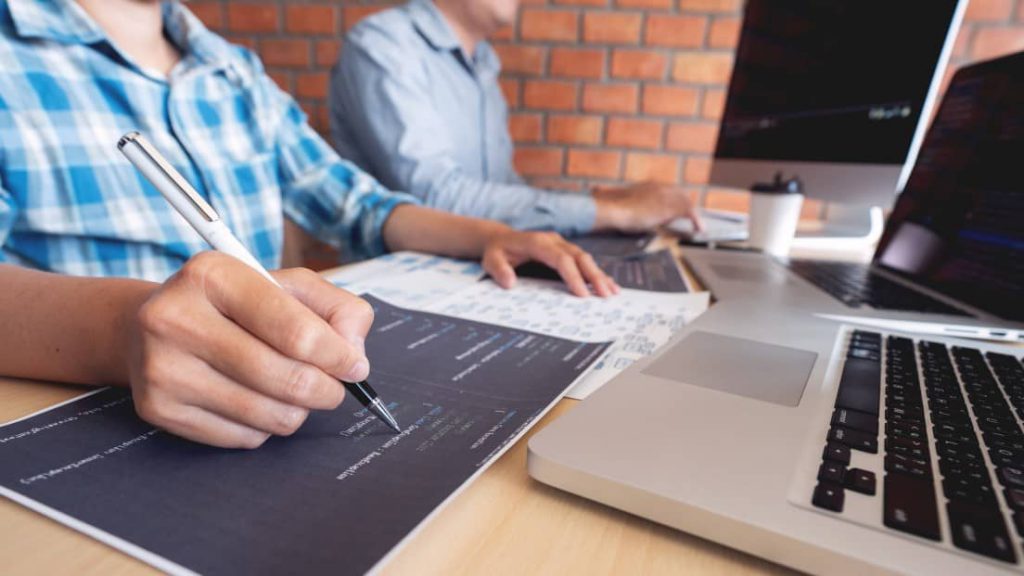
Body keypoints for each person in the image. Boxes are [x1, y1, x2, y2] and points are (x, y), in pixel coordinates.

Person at [0, 0, 616, 450]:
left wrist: (485, 236)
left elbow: (356, 205)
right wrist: (122, 332)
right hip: (86, 433)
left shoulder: (234, 70)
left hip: (264, 412)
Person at [330, 0, 702, 237]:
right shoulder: (383, 44)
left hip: (485, 266)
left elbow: (502, 187)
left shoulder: (484, 64)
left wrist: (598, 201)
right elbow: (434, 197)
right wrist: (611, 212)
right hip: (407, 285)